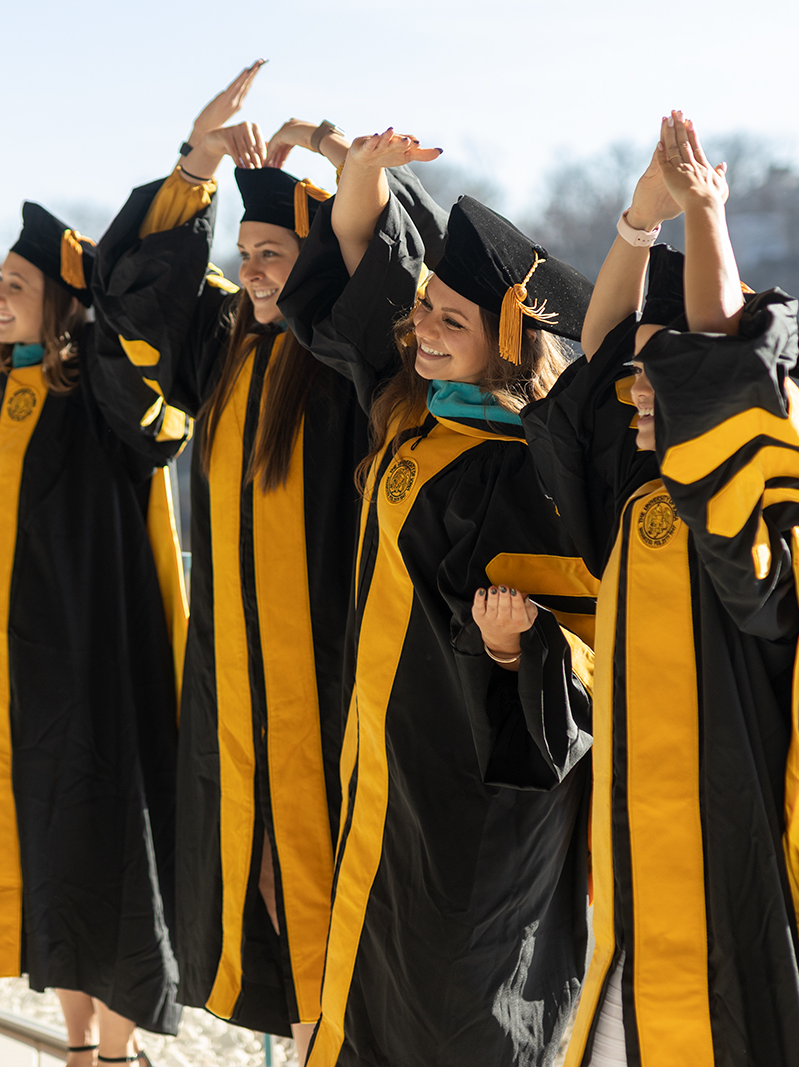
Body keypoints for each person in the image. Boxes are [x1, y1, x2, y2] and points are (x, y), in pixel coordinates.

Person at [522, 112, 799, 1067]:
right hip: (635, 873)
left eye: (672, 377)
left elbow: (724, 363)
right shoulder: (634, 498)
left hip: (726, 867)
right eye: (640, 378)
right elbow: (603, 344)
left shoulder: (762, 523)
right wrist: (640, 222)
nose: (641, 386)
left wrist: (708, 217)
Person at [92, 65, 444, 1054]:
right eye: (243, 252)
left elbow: (384, 285)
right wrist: (197, 164)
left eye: (272, 253)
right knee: (269, 902)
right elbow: (133, 304)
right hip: (237, 696)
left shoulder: (347, 367)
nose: (251, 270)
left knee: (337, 892)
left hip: (329, 688)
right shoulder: (226, 350)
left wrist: (355, 176)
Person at [277, 129, 601, 1067]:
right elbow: (346, 290)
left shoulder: (530, 472)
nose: (422, 328)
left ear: (507, 341)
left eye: (450, 321)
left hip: (480, 793)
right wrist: (364, 176)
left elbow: (581, 647)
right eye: (426, 308)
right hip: (395, 767)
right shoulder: (416, 411)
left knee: (461, 1002)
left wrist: (515, 651)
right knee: (382, 985)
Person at [0, 142, 189, 1067]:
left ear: (64, 306)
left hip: (96, 680)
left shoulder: (102, 401)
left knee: (111, 853)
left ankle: (117, 1053)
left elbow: (140, 316)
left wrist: (188, 170)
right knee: (48, 862)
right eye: (1, 292)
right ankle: (77, 1048)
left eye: (17, 289)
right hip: (11, 685)